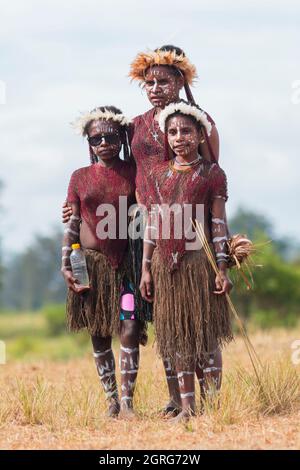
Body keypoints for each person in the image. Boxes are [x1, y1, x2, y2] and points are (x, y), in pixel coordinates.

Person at [63, 45, 222, 417]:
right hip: (143, 230)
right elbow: (125, 174)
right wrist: (79, 207)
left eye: (163, 81)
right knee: (164, 315)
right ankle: (177, 400)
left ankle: (211, 401)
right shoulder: (134, 125)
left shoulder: (194, 121)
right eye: (148, 82)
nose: (154, 88)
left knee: (197, 314)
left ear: (179, 81)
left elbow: (211, 171)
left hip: (186, 226)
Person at [140, 100, 233, 422]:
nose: (179, 138)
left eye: (186, 131)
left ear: (199, 135)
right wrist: (146, 269)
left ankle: (213, 406)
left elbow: (218, 225)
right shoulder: (156, 174)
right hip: (166, 265)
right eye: (173, 132)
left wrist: (222, 268)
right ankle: (188, 407)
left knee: (205, 334)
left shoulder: (212, 174)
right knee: (176, 335)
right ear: (166, 137)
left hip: (199, 263)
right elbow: (152, 223)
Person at [61, 106, 145, 419]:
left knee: (130, 325)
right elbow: (71, 226)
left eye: (110, 136)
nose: (104, 143)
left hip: (126, 265)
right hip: (90, 266)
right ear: (89, 142)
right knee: (98, 331)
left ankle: (128, 403)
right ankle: (111, 401)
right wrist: (65, 262)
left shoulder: (134, 173)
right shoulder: (79, 177)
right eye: (96, 138)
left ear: (123, 138)